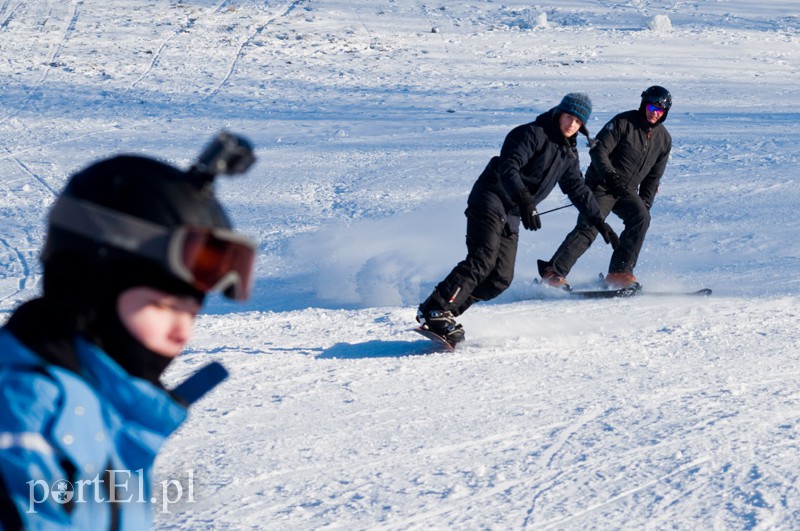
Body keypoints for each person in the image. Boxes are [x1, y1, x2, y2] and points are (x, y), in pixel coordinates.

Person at [0, 133, 257, 528]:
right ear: (85, 286)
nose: (180, 333)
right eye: (162, 306)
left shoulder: (106, 409)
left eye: (191, 312)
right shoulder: (24, 411)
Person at [416, 93, 620, 345]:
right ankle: (435, 308)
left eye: (578, 122)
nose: (571, 125)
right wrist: (525, 200)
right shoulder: (530, 133)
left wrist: (599, 222)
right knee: (482, 259)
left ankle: (446, 314)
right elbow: (508, 167)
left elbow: (577, 188)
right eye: (569, 117)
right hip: (490, 198)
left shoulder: (568, 154)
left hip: (512, 213)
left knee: (500, 279)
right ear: (559, 113)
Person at [538, 86, 673, 290]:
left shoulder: (663, 139)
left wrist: (645, 201)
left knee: (641, 217)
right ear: (644, 104)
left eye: (660, 109)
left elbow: (654, 176)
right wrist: (611, 176)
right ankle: (553, 272)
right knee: (591, 227)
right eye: (652, 106)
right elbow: (598, 149)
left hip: (626, 192)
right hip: (601, 185)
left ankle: (620, 272)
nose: (655, 112)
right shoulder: (623, 122)